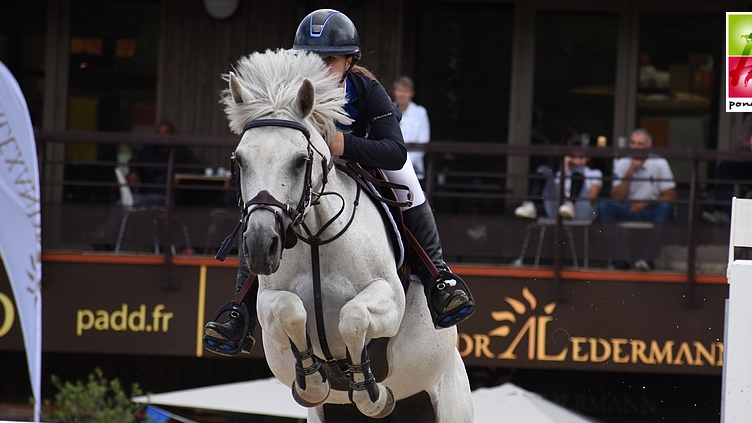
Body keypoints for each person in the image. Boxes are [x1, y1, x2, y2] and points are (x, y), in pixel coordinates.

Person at [203, 9, 475, 356]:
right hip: (303, 178)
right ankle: (240, 311)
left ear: (349, 61)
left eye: (329, 59)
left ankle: (439, 279)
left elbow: (393, 151)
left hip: (361, 168)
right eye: (309, 58)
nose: (318, 67)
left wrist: (342, 145)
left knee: (407, 182)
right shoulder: (284, 92)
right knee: (260, 210)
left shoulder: (366, 89)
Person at [89, 120, 200, 247]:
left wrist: (181, 177)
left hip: (167, 196)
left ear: (173, 135)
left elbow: (197, 169)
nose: (163, 138)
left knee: (130, 202)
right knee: (125, 203)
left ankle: (105, 235)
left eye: (167, 134)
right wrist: (134, 172)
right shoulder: (149, 150)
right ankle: (106, 237)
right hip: (147, 193)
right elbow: (135, 162)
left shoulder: (181, 152)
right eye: (160, 134)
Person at [597, 128, 676, 271]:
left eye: (640, 144)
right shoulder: (622, 163)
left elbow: (671, 195)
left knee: (666, 208)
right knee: (604, 206)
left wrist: (645, 203)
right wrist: (630, 171)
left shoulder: (660, 163)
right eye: (633, 143)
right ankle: (619, 259)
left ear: (648, 147)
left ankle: (648, 260)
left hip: (651, 208)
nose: (635, 147)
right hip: (627, 208)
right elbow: (616, 197)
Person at [543, 134, 602, 220]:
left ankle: (570, 205)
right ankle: (530, 205)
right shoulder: (563, 173)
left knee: (578, 172)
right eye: (574, 157)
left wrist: (568, 195)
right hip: (561, 209)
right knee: (544, 170)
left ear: (588, 157)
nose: (577, 161)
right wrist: (565, 169)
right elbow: (557, 194)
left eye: (581, 157)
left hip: (582, 210)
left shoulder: (595, 173)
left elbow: (591, 199)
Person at [392, 75, 430, 179]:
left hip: (414, 170)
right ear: (395, 91)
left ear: (412, 93)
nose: (402, 94)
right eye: (400, 90)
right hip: (390, 167)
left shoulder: (420, 112)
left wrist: (405, 164)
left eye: (406, 91)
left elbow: (423, 142)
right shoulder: (387, 110)